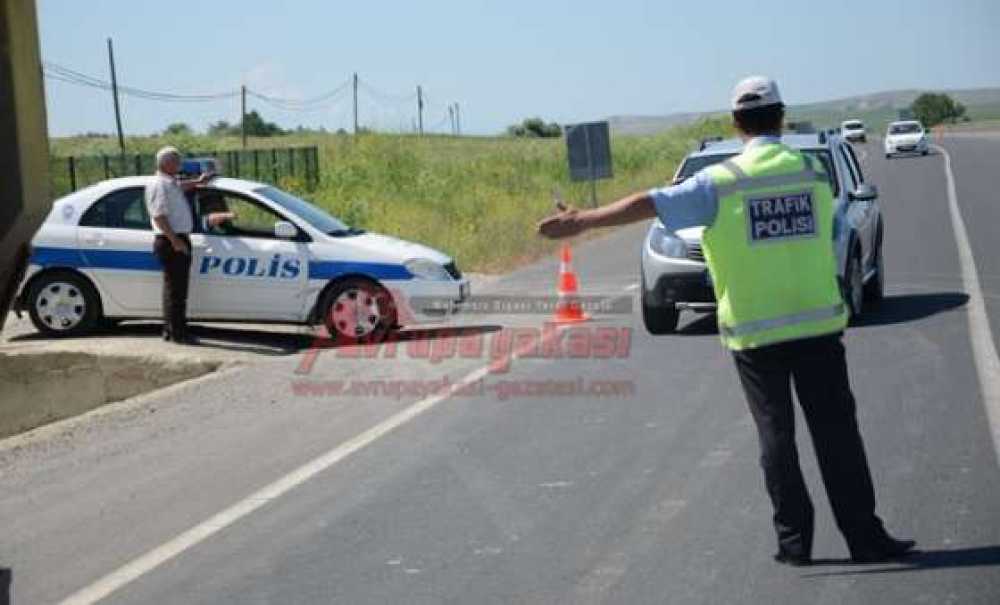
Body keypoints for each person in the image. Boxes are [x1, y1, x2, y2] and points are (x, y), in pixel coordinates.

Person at [537, 76, 915, 566]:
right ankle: (865, 537)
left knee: (776, 436)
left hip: (757, 333)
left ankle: (795, 544)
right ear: (781, 117)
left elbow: (647, 203)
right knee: (837, 434)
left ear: (736, 124)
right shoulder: (812, 172)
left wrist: (584, 220)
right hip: (818, 326)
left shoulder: (721, 183)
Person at [146, 146, 212, 344]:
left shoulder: (169, 182)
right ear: (166, 163)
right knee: (177, 290)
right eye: (177, 162)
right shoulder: (159, 184)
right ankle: (178, 333)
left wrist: (197, 183)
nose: (180, 165)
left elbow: (178, 187)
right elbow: (158, 216)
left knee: (174, 288)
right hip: (171, 240)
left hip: (175, 239)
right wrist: (175, 241)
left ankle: (171, 329)